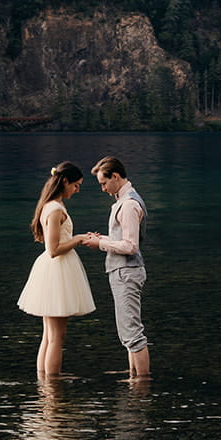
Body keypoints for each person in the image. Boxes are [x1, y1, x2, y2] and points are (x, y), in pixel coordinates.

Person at [17, 161, 96, 376]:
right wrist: (79, 239)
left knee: (49, 336)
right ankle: (53, 388)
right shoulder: (54, 209)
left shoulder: (52, 206)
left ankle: (45, 386)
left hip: (55, 271)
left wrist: (82, 238)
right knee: (56, 338)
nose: (77, 190)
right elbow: (53, 249)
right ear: (64, 181)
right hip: (57, 271)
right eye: (76, 185)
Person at [80, 155, 149, 379]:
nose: (102, 188)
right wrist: (104, 239)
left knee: (132, 333)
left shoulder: (128, 205)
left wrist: (100, 243)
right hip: (123, 272)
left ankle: (141, 384)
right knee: (127, 333)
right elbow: (123, 239)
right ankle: (133, 377)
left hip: (127, 273)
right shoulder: (124, 201)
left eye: (104, 183)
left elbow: (130, 246)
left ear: (116, 177)